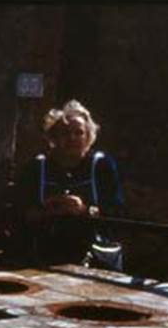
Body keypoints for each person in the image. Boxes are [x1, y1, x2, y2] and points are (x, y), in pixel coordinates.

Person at [9, 99, 126, 271]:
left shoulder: (101, 166)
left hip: (93, 258)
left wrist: (85, 210)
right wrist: (44, 210)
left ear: (89, 136)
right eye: (65, 133)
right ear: (53, 137)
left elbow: (117, 213)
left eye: (78, 133)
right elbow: (18, 211)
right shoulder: (36, 168)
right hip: (42, 256)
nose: (72, 138)